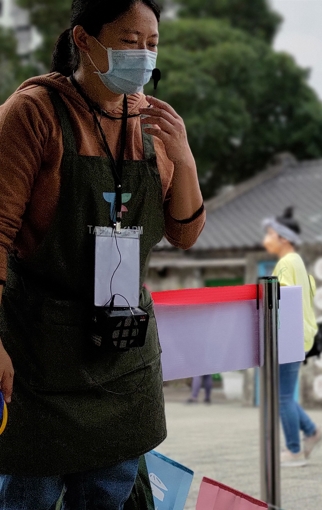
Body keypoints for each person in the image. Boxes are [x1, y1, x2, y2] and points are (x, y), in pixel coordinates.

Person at [0, 0, 206, 507]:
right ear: (84, 40)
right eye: (130, 41)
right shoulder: (32, 113)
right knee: (27, 495)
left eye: (152, 44)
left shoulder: (151, 123)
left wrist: (183, 156)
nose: (143, 54)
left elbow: (185, 234)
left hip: (122, 358)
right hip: (36, 359)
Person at [263, 207, 322, 467]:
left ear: (284, 239)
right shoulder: (298, 262)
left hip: (288, 338)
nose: (266, 239)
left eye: (270, 234)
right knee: (284, 394)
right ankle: (313, 431)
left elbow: (283, 300)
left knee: (283, 397)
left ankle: (295, 450)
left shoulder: (286, 263)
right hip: (299, 337)